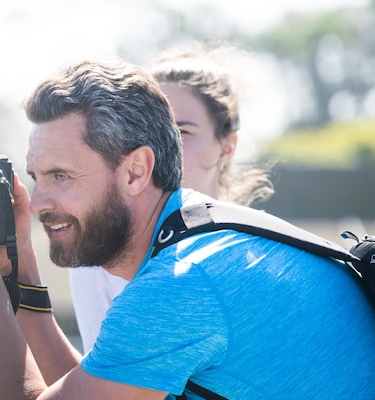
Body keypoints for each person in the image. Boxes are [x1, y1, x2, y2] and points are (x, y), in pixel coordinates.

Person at [0, 58, 375, 400]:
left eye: (62, 175)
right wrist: (17, 270)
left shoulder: (183, 283)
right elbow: (96, 396)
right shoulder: (203, 231)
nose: (37, 203)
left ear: (137, 170)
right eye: (36, 177)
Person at [70, 44, 275, 355]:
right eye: (147, 132)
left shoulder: (267, 251)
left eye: (181, 131)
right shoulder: (99, 258)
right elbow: (98, 393)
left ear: (227, 148)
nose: (160, 147)